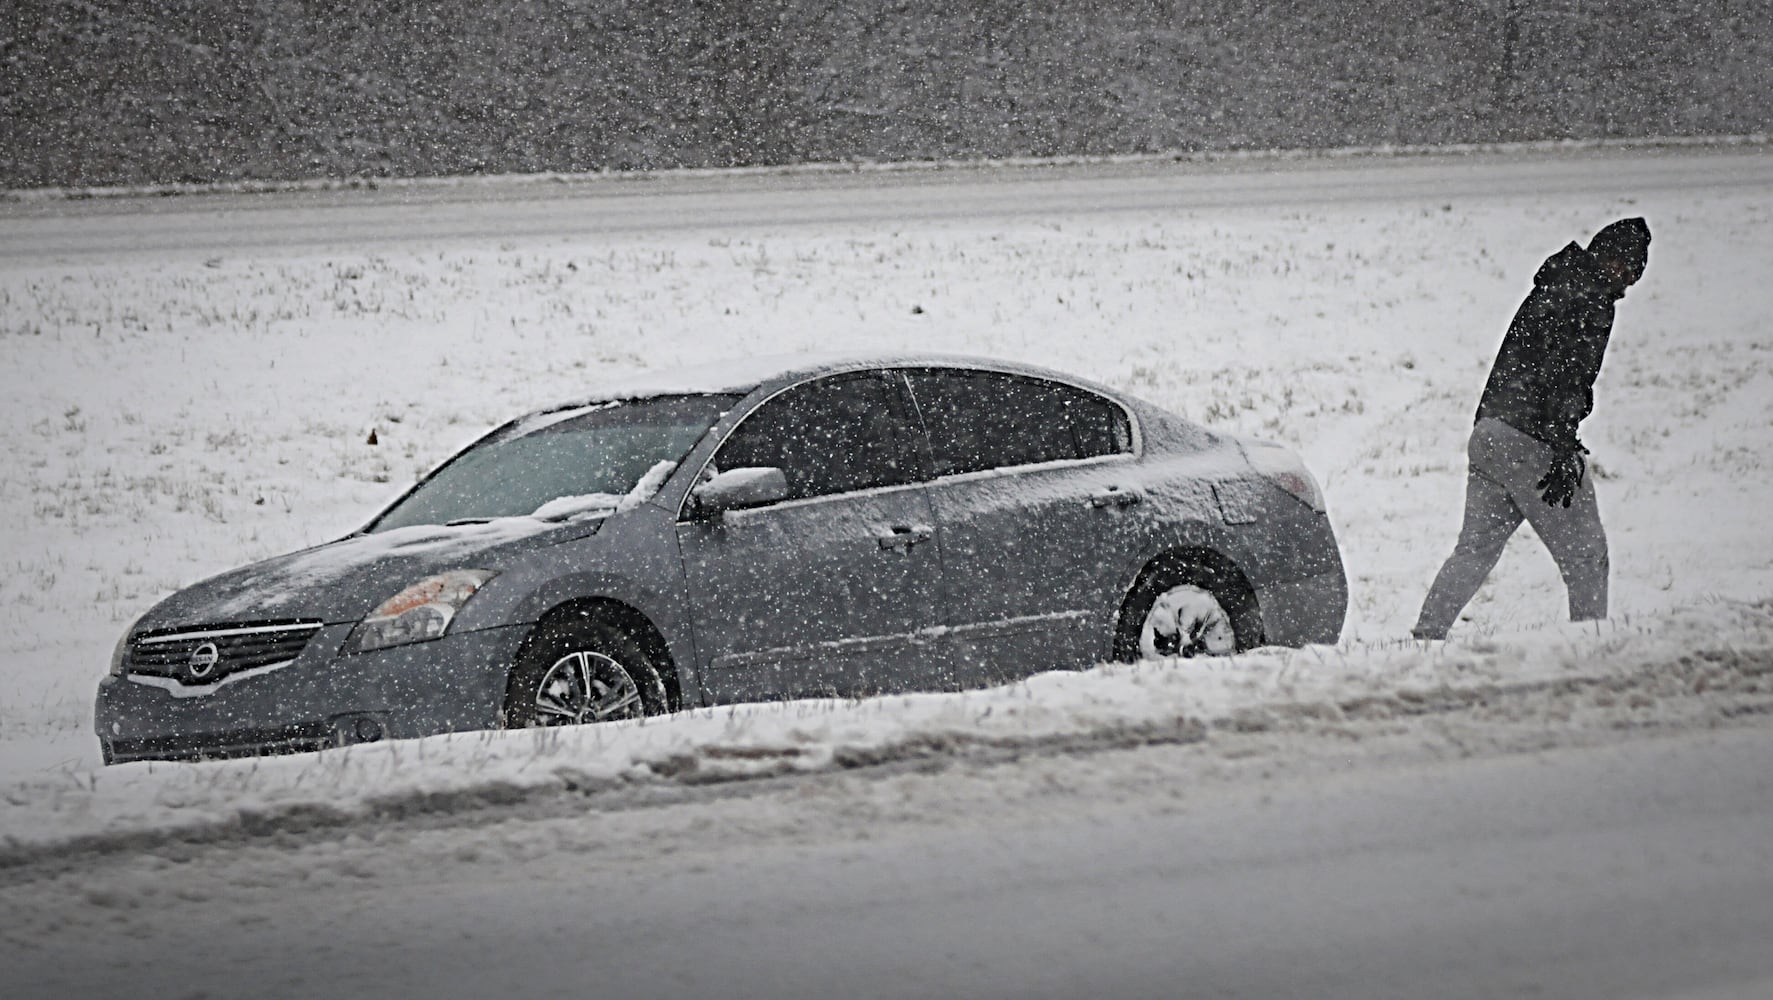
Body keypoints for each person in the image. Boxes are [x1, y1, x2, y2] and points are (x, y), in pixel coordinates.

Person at [1412, 217, 1651, 640]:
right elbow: (1565, 375)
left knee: (1474, 551)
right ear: (1613, 260)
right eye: (1629, 270)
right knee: (1587, 558)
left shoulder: (1557, 283)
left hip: (1490, 433)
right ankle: (1590, 646)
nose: (1629, 283)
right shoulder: (1591, 298)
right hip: (1532, 438)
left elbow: (1533, 363)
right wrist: (1561, 445)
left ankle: (1426, 639)